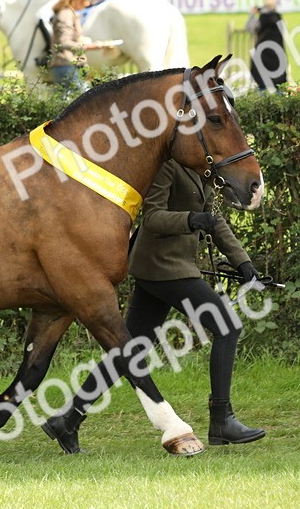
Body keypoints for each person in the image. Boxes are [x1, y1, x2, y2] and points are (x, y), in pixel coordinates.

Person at [48, 160, 266, 451]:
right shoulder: (168, 165)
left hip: (169, 268)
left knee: (129, 349)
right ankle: (221, 419)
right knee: (227, 326)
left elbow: (214, 220)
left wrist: (244, 262)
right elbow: (152, 218)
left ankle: (68, 419)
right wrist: (190, 219)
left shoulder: (206, 170)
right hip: (162, 268)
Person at [48, 0, 104, 92]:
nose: (87, 4)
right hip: (66, 66)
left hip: (67, 66)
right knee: (84, 100)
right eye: (86, 0)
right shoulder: (65, 15)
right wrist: (89, 46)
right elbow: (63, 42)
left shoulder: (68, 13)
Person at [246, 0, 287, 92]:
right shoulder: (279, 18)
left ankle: (261, 102)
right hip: (277, 54)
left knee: (261, 84)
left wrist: (252, 14)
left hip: (262, 54)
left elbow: (249, 28)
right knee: (278, 84)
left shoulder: (261, 19)